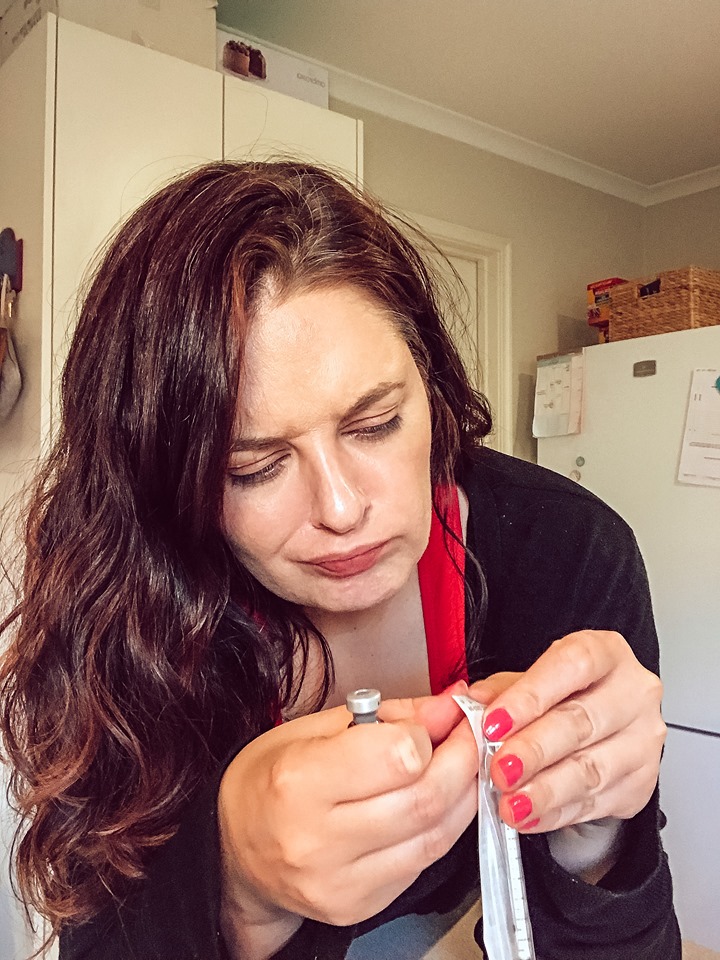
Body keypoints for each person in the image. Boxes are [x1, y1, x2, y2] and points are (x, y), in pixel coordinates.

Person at [0, 160, 680, 960]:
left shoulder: (569, 551)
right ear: (166, 481)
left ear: (431, 385)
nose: (342, 508)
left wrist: (595, 841)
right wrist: (237, 885)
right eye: (253, 468)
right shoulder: (130, 604)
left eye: (375, 424)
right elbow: (97, 931)